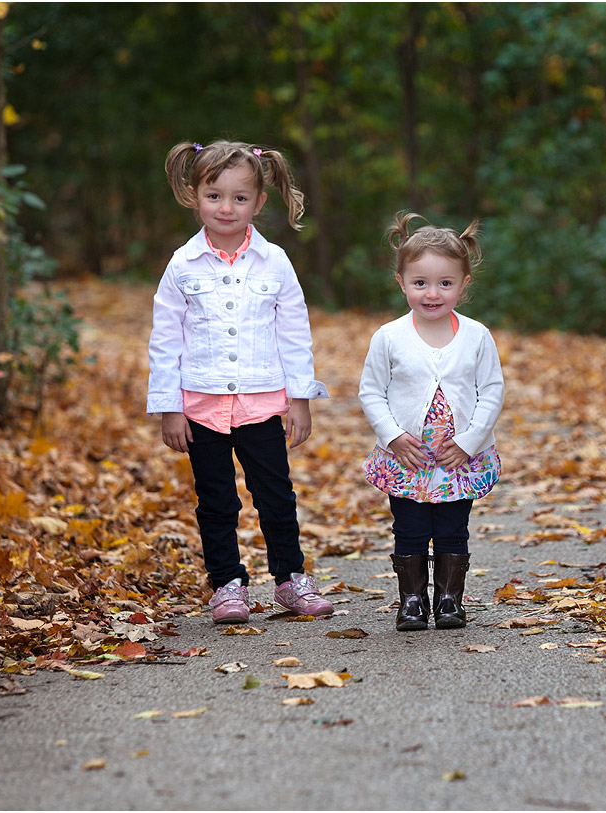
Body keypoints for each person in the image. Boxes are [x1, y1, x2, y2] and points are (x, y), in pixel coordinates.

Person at [147, 139, 332, 624]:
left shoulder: (274, 263)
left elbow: (293, 332)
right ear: (194, 196)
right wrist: (169, 407)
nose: (226, 208)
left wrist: (300, 398)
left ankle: (291, 579)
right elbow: (165, 339)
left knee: (275, 494)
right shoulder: (182, 266)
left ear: (259, 202)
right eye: (214, 196)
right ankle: (227, 584)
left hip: (262, 402)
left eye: (240, 198)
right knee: (216, 500)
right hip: (201, 406)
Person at [359, 212, 505, 631]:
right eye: (420, 283)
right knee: (408, 528)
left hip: (458, 457)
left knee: (452, 529)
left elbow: (491, 391)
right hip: (407, 457)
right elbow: (371, 391)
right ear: (401, 282)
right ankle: (410, 602)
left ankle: (448, 601)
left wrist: (471, 440)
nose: (432, 293)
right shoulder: (389, 336)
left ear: (463, 284)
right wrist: (393, 437)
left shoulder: (477, 336)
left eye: (445, 283)